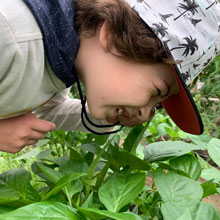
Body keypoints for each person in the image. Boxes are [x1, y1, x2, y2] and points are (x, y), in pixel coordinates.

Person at [0, 0, 219, 153]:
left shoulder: (63, 56)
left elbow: (48, 109)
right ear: (115, 36)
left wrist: (108, 116)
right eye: (156, 92)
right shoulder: (10, 35)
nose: (146, 113)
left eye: (157, 104)